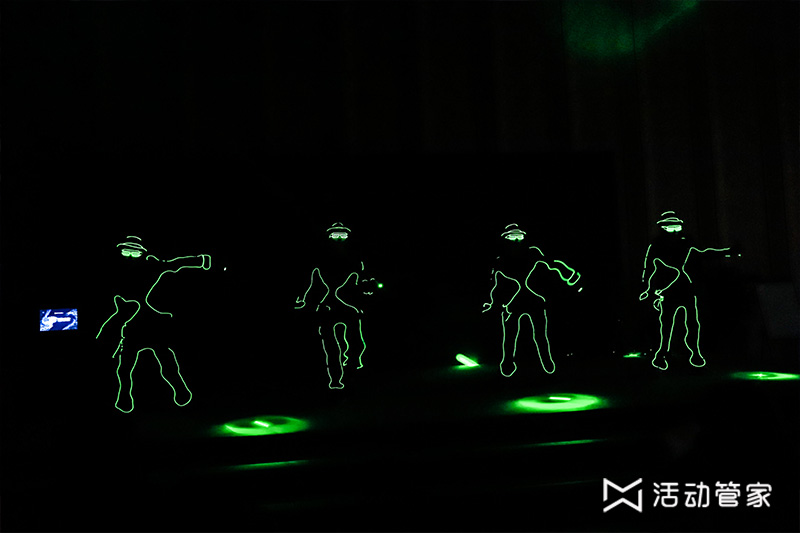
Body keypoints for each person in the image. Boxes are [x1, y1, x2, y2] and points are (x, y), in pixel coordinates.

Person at [96, 235, 211, 412]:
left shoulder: (150, 267)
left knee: (164, 358)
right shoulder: (114, 273)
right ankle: (124, 397)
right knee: (125, 366)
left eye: (135, 253)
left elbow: (174, 264)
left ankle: (180, 390)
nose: (130, 257)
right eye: (126, 252)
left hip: (150, 324)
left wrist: (200, 261)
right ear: (120, 252)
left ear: (142, 254)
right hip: (131, 325)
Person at [482, 224, 581, 377]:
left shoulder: (532, 253)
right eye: (512, 237)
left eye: (519, 236)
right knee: (510, 335)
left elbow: (552, 263)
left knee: (540, 334)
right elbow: (495, 285)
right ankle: (507, 362)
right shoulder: (500, 262)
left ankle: (546, 361)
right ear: (506, 239)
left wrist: (569, 275)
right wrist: (493, 304)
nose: (516, 240)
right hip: (512, 303)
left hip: (533, 299)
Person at [639, 212, 730, 370]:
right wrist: (647, 288)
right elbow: (648, 269)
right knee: (667, 323)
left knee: (691, 322)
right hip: (668, 290)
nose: (674, 231)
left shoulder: (685, 243)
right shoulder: (657, 246)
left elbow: (704, 253)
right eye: (671, 228)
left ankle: (694, 352)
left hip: (684, 288)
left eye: (677, 227)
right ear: (663, 228)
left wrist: (727, 252)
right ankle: (662, 353)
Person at [294, 223, 379, 389]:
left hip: (348, 307)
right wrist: (303, 299)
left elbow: (364, 281)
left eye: (343, 235)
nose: (339, 239)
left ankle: (352, 366)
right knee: (331, 346)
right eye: (335, 235)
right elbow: (311, 283)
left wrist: (368, 289)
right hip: (328, 308)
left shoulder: (355, 261)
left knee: (357, 343)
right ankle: (335, 379)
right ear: (329, 238)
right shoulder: (320, 262)